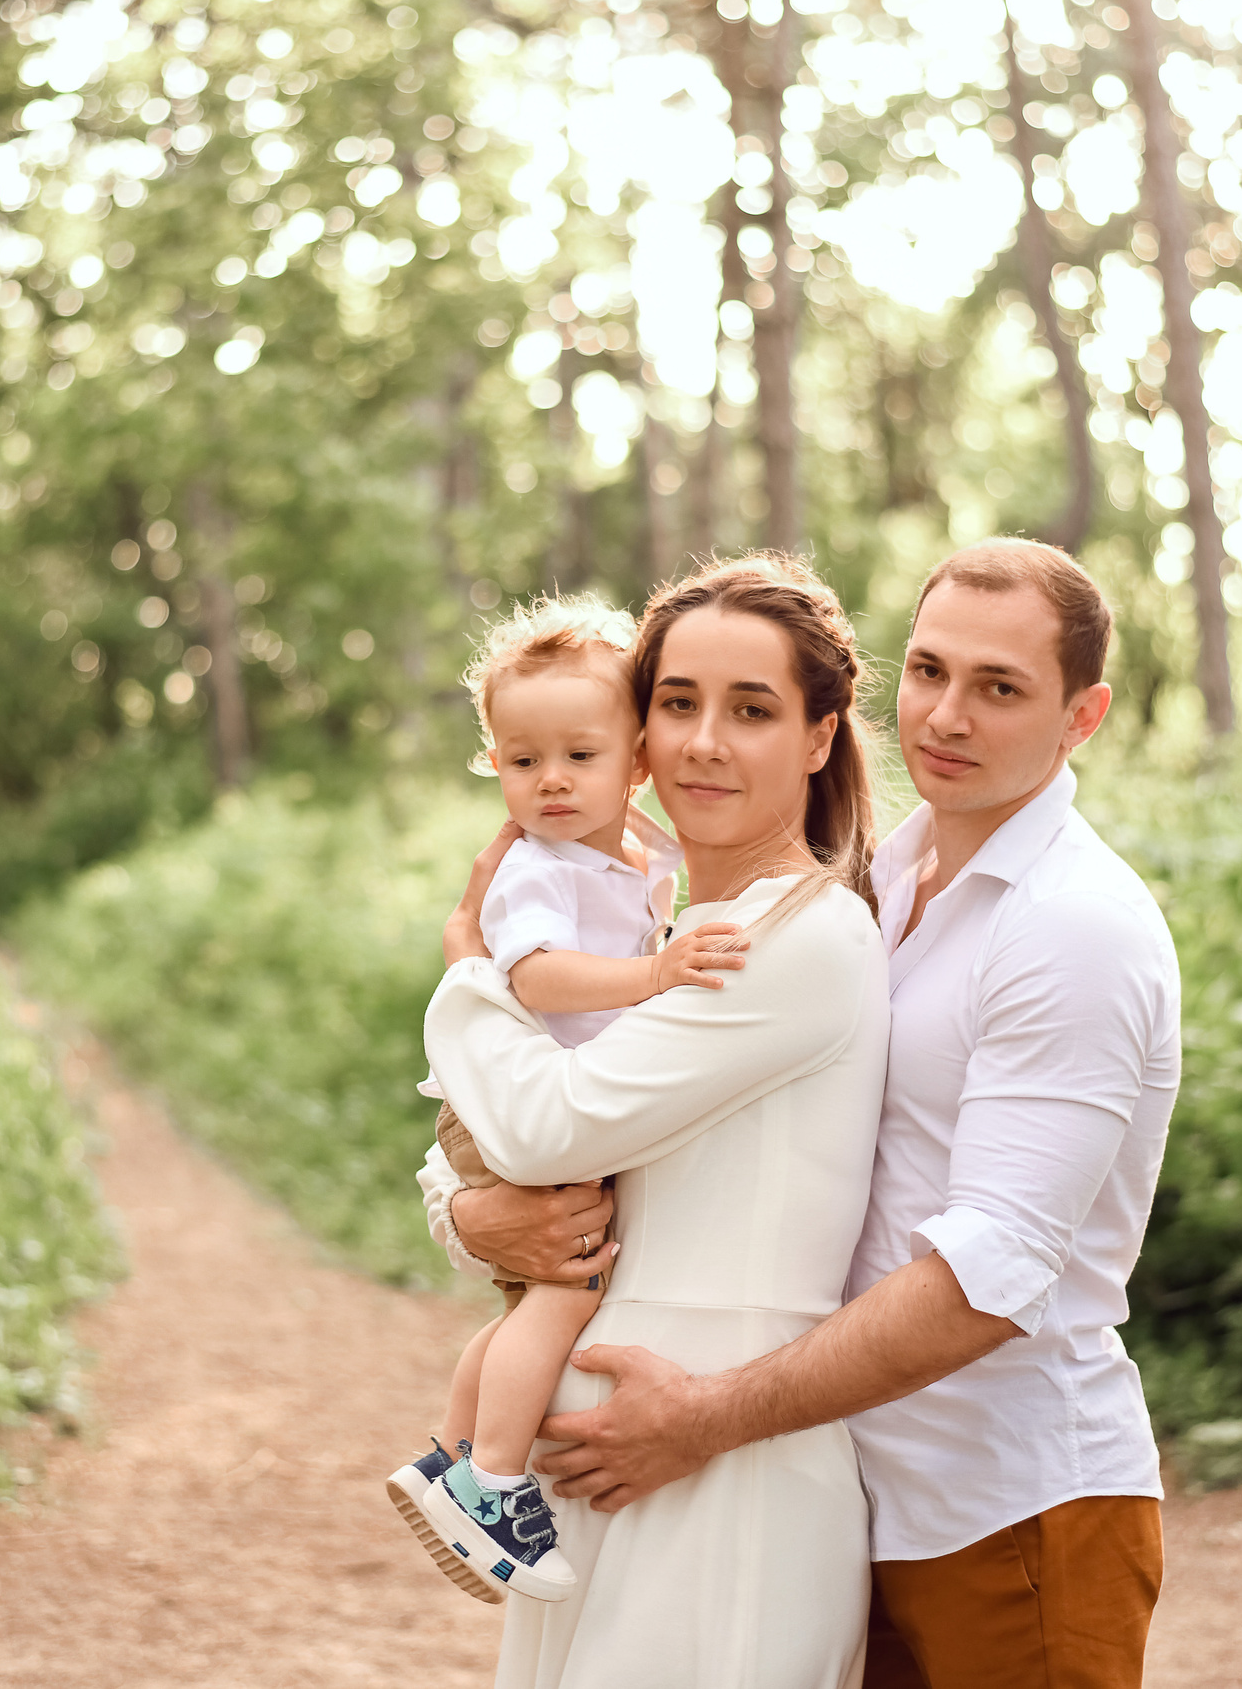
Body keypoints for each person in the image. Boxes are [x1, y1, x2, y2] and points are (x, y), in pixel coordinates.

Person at [446, 540, 1182, 1689]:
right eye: (928, 671)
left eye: (998, 687)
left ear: (1080, 716)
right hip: (842, 1467)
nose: (946, 715)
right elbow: (628, 1150)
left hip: (997, 1490)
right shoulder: (883, 888)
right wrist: (469, 1218)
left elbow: (992, 1271)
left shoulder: (1063, 925)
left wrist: (467, 970)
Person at [416, 555, 890, 1688]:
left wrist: (470, 970)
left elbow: (548, 1127)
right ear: (639, 733)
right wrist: (465, 1215)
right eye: (677, 703)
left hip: (721, 1454)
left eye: (752, 710)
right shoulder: (671, 933)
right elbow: (519, 1155)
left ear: (819, 738)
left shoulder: (792, 938)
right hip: (607, 1450)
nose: (703, 743)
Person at [387, 595, 746, 1604]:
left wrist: (649, 815)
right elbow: (538, 976)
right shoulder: (537, 870)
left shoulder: (621, 849)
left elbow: (661, 856)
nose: (550, 780)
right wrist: (656, 973)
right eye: (522, 759)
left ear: (634, 762)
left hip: (541, 1101)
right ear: (493, 764)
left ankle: (449, 1455)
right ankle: (492, 1482)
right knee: (566, 1291)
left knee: (529, 1299)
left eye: (580, 756)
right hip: (508, 1103)